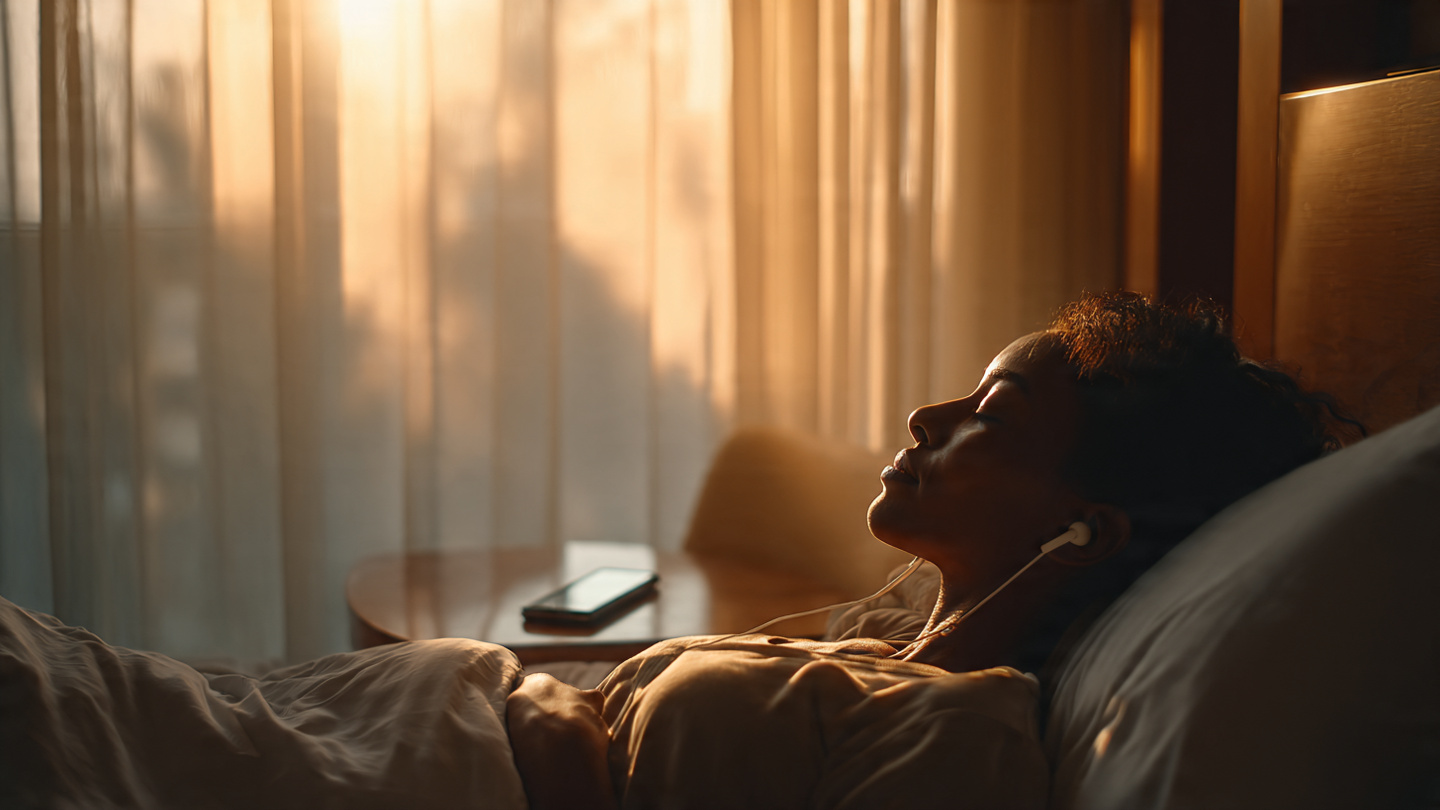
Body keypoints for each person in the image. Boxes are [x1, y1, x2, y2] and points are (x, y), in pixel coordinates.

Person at [505, 291, 1359, 809]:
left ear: (1083, 532)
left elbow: (572, 719)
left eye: (991, 414)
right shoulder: (869, 645)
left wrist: (548, 716)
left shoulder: (963, 736)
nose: (927, 417)